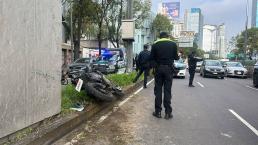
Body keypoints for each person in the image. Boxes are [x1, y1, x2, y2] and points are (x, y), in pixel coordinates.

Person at [150, 32, 179, 120]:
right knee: (167, 90)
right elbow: (176, 57)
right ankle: (167, 113)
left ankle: (158, 112)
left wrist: (154, 66)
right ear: (167, 36)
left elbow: (151, 58)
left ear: (160, 37)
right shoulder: (173, 44)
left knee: (158, 90)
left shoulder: (155, 44)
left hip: (158, 69)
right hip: (169, 69)